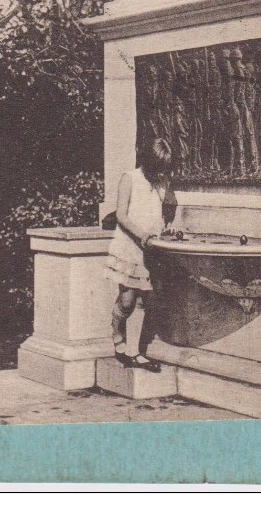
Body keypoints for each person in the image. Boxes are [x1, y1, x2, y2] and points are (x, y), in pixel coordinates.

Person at [107, 137, 175, 372]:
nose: (159, 171)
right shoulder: (130, 178)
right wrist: (141, 235)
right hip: (129, 246)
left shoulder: (161, 183)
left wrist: (164, 228)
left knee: (145, 298)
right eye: (157, 165)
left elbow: (162, 212)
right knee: (127, 300)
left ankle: (135, 352)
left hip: (151, 249)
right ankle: (117, 335)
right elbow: (122, 216)